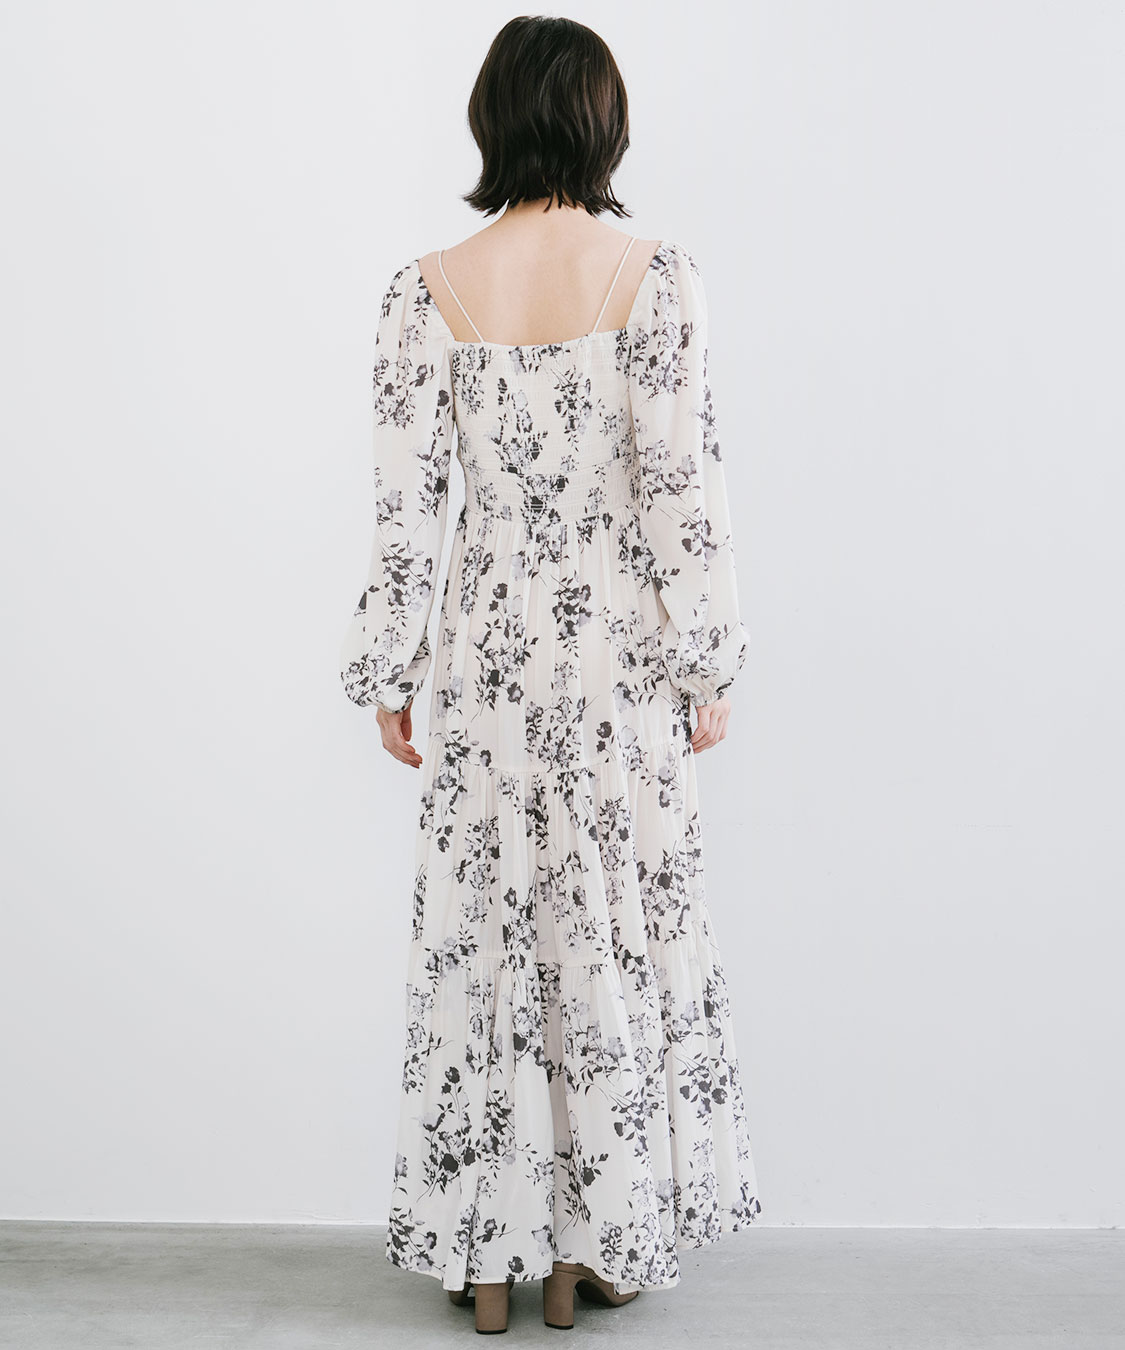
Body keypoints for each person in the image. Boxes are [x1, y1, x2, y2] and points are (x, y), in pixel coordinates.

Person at [340, 15, 762, 1336]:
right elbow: (680, 494)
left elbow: (404, 514)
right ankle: (590, 1246)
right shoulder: (655, 278)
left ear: (491, 120)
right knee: (603, 932)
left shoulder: (425, 290)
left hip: (484, 660)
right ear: (600, 122)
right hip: (613, 663)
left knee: (487, 938)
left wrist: (390, 669)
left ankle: (487, 1259)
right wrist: (707, 659)